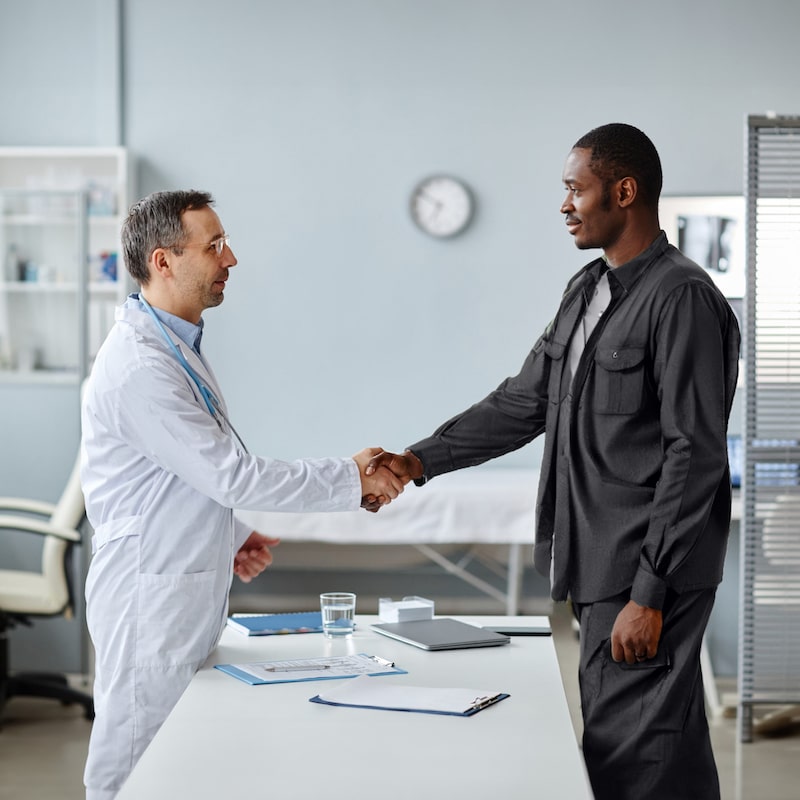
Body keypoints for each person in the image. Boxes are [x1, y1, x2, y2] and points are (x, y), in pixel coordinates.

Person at [365, 123, 740, 800]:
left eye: (576, 189)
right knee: (657, 745)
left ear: (624, 192)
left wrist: (650, 593)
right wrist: (417, 459)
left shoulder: (681, 298)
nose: (564, 204)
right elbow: (523, 401)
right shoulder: (585, 290)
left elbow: (697, 453)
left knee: (632, 753)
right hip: (596, 568)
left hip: (644, 576)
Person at [80, 189, 404, 800]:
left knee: (178, 768)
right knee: (129, 769)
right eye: (214, 246)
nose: (231, 259)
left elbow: (176, 476)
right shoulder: (141, 366)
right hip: (149, 603)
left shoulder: (175, 345)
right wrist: (350, 475)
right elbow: (233, 474)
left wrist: (229, 533)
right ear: (164, 261)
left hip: (180, 592)